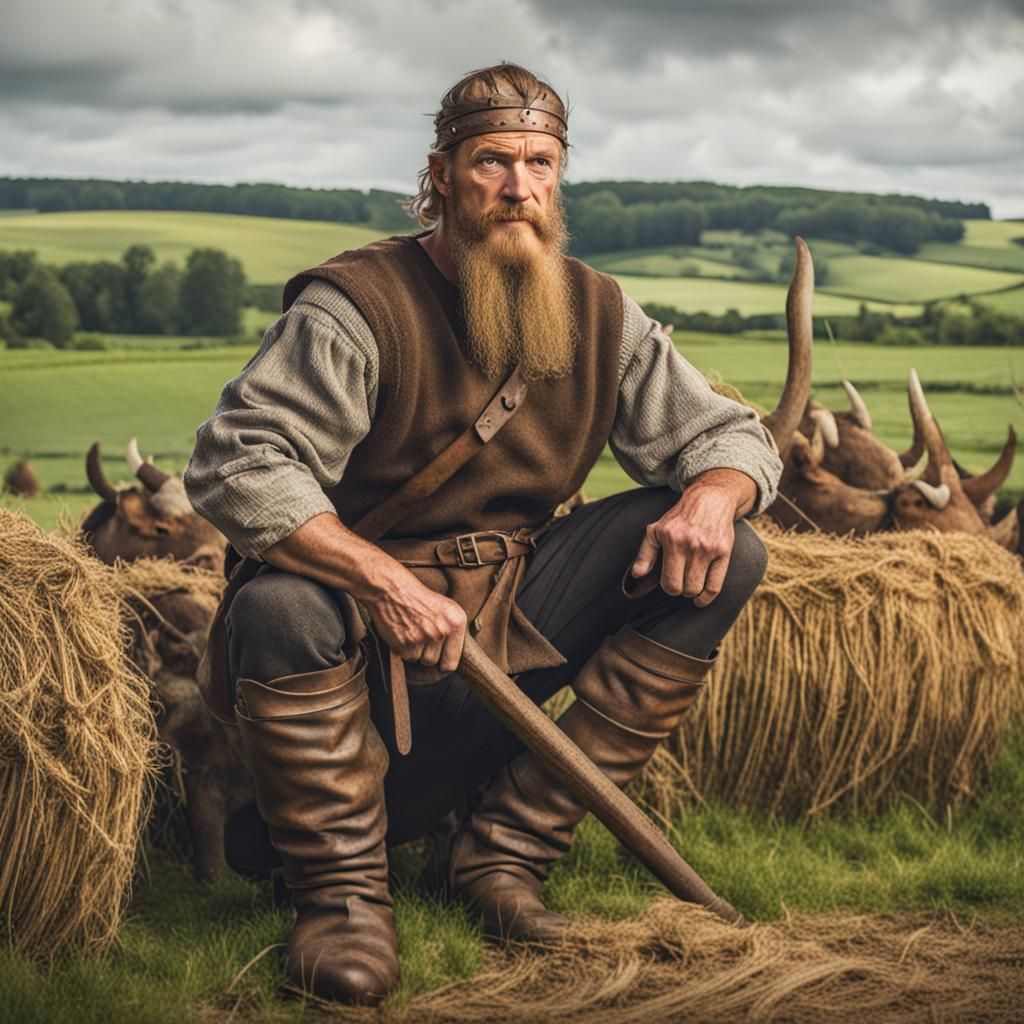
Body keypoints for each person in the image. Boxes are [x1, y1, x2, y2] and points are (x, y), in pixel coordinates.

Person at [184, 62, 783, 1007]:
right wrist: (381, 581)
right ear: (441, 176)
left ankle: (504, 854)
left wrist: (711, 496)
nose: (519, 186)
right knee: (279, 603)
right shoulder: (355, 308)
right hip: (365, 639)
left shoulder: (596, 310)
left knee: (730, 551)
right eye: (493, 161)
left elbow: (729, 435)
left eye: (540, 163)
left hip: (517, 616)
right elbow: (238, 463)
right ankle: (342, 900)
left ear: (560, 178)